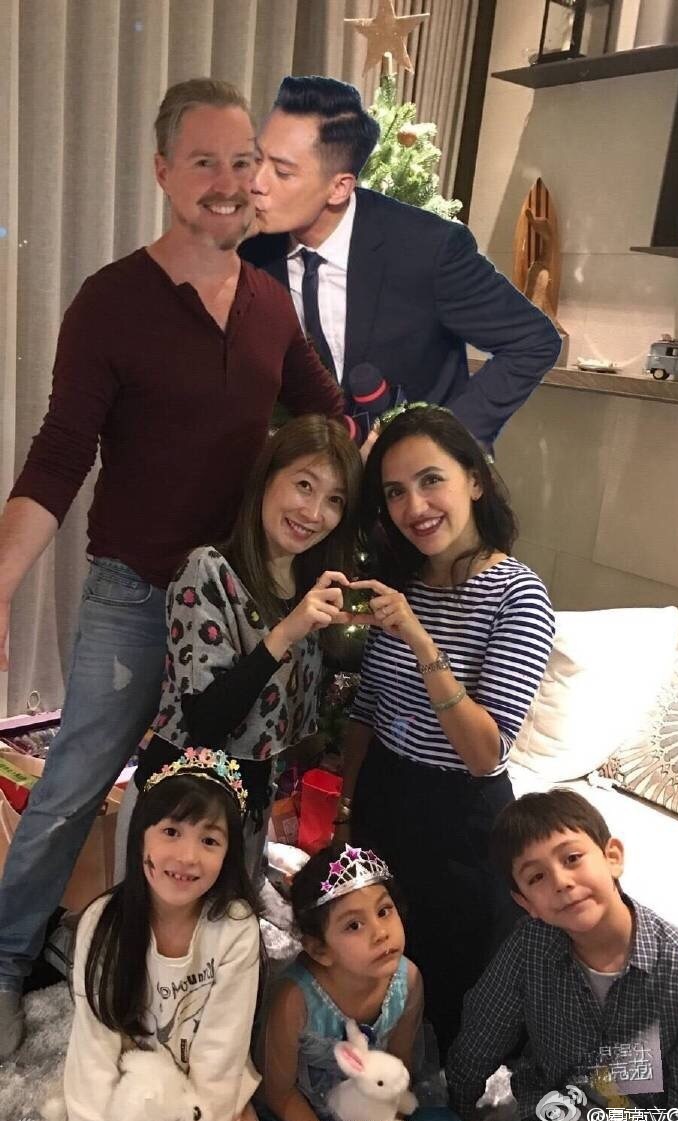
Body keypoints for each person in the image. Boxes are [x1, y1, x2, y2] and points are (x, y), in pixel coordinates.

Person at [0, 77, 343, 1058]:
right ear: (162, 171)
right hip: (136, 592)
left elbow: (327, 419)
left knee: (230, 787)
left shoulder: (270, 303)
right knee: (74, 785)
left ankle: (199, 971)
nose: (230, 182)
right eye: (205, 162)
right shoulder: (111, 302)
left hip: (241, 604)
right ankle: (7, 958)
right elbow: (59, 456)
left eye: (244, 162)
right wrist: (2, 583)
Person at [336, 405, 555, 1057]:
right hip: (383, 797)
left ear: (475, 480)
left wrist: (418, 636)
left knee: (449, 998)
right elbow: (367, 709)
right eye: (395, 492)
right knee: (371, 976)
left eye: (431, 480)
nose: (415, 506)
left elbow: (485, 752)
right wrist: (345, 811)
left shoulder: (519, 595)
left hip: (460, 821)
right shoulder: (399, 582)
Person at [241, 75, 562, 449]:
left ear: (339, 187)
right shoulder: (249, 256)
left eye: (282, 172)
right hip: (317, 473)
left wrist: (443, 443)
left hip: (415, 477)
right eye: (256, 160)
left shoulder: (428, 247)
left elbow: (533, 340)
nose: (256, 183)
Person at [122, 415, 362, 882]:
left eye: (335, 500)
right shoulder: (208, 570)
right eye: (304, 485)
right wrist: (285, 632)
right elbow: (206, 722)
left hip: (247, 814)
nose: (314, 513)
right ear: (267, 477)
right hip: (176, 813)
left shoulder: (312, 586)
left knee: (230, 932)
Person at [446, 789, 678, 1121]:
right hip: (552, 1115)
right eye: (537, 877)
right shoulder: (529, 946)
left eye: (572, 858)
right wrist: (455, 1115)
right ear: (525, 902)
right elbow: (481, 1036)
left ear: (612, 858)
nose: (561, 882)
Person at [63, 748, 262, 1121]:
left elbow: (220, 1059)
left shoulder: (235, 928)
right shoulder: (102, 923)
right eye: (171, 831)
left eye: (209, 840)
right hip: (130, 1092)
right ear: (140, 836)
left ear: (228, 855)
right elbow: (93, 1050)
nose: (187, 857)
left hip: (201, 1106)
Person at [259, 842, 465, 1121]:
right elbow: (279, 1093)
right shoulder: (294, 1000)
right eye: (354, 925)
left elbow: (398, 1069)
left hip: (375, 1113)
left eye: (384, 911)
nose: (381, 932)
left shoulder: (407, 980)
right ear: (319, 949)